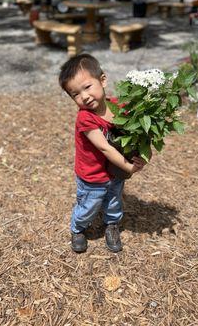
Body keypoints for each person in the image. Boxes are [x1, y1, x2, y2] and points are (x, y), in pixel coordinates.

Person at [59, 53, 149, 253]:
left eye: (87, 87)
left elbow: (137, 130)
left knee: (114, 201)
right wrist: (128, 167)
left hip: (114, 172)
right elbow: (104, 147)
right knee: (88, 206)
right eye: (75, 94)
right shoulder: (85, 118)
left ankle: (112, 225)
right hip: (92, 175)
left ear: (103, 80)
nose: (84, 96)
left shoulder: (118, 106)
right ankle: (78, 228)